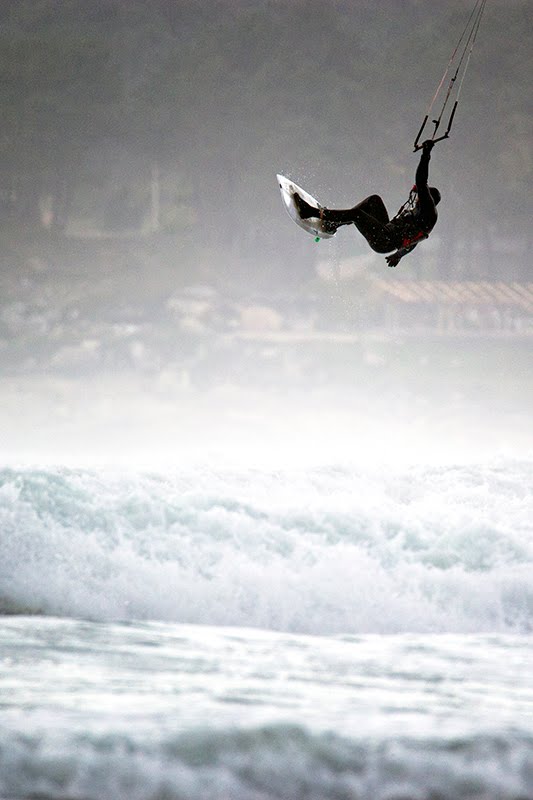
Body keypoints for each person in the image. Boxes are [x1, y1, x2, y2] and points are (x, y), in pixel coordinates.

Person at [294, 140, 440, 267]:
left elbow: (421, 181)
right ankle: (333, 224)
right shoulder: (422, 214)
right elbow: (415, 239)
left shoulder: (428, 212)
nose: (417, 198)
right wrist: (399, 255)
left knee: (358, 215)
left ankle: (311, 212)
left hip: (383, 241)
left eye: (421, 196)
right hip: (385, 231)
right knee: (374, 200)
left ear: (428, 199)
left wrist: (426, 153)